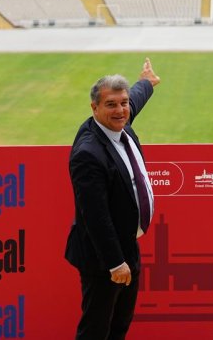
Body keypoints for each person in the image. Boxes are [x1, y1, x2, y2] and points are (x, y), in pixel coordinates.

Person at [65, 58, 162, 340]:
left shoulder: (119, 123)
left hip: (126, 245)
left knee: (120, 325)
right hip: (103, 258)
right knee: (96, 331)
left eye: (124, 103)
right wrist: (115, 263)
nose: (121, 110)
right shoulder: (88, 154)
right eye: (111, 104)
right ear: (94, 108)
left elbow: (132, 102)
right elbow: (95, 216)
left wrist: (146, 83)